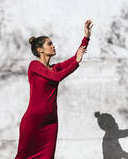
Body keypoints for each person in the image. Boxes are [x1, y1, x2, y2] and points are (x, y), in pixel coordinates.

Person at [14, 19, 93, 159]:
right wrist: (76, 63)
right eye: (49, 44)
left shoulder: (54, 68)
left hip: (50, 123)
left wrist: (86, 38)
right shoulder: (34, 66)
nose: (53, 46)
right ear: (40, 50)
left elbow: (75, 57)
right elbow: (56, 77)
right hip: (33, 122)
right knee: (23, 156)